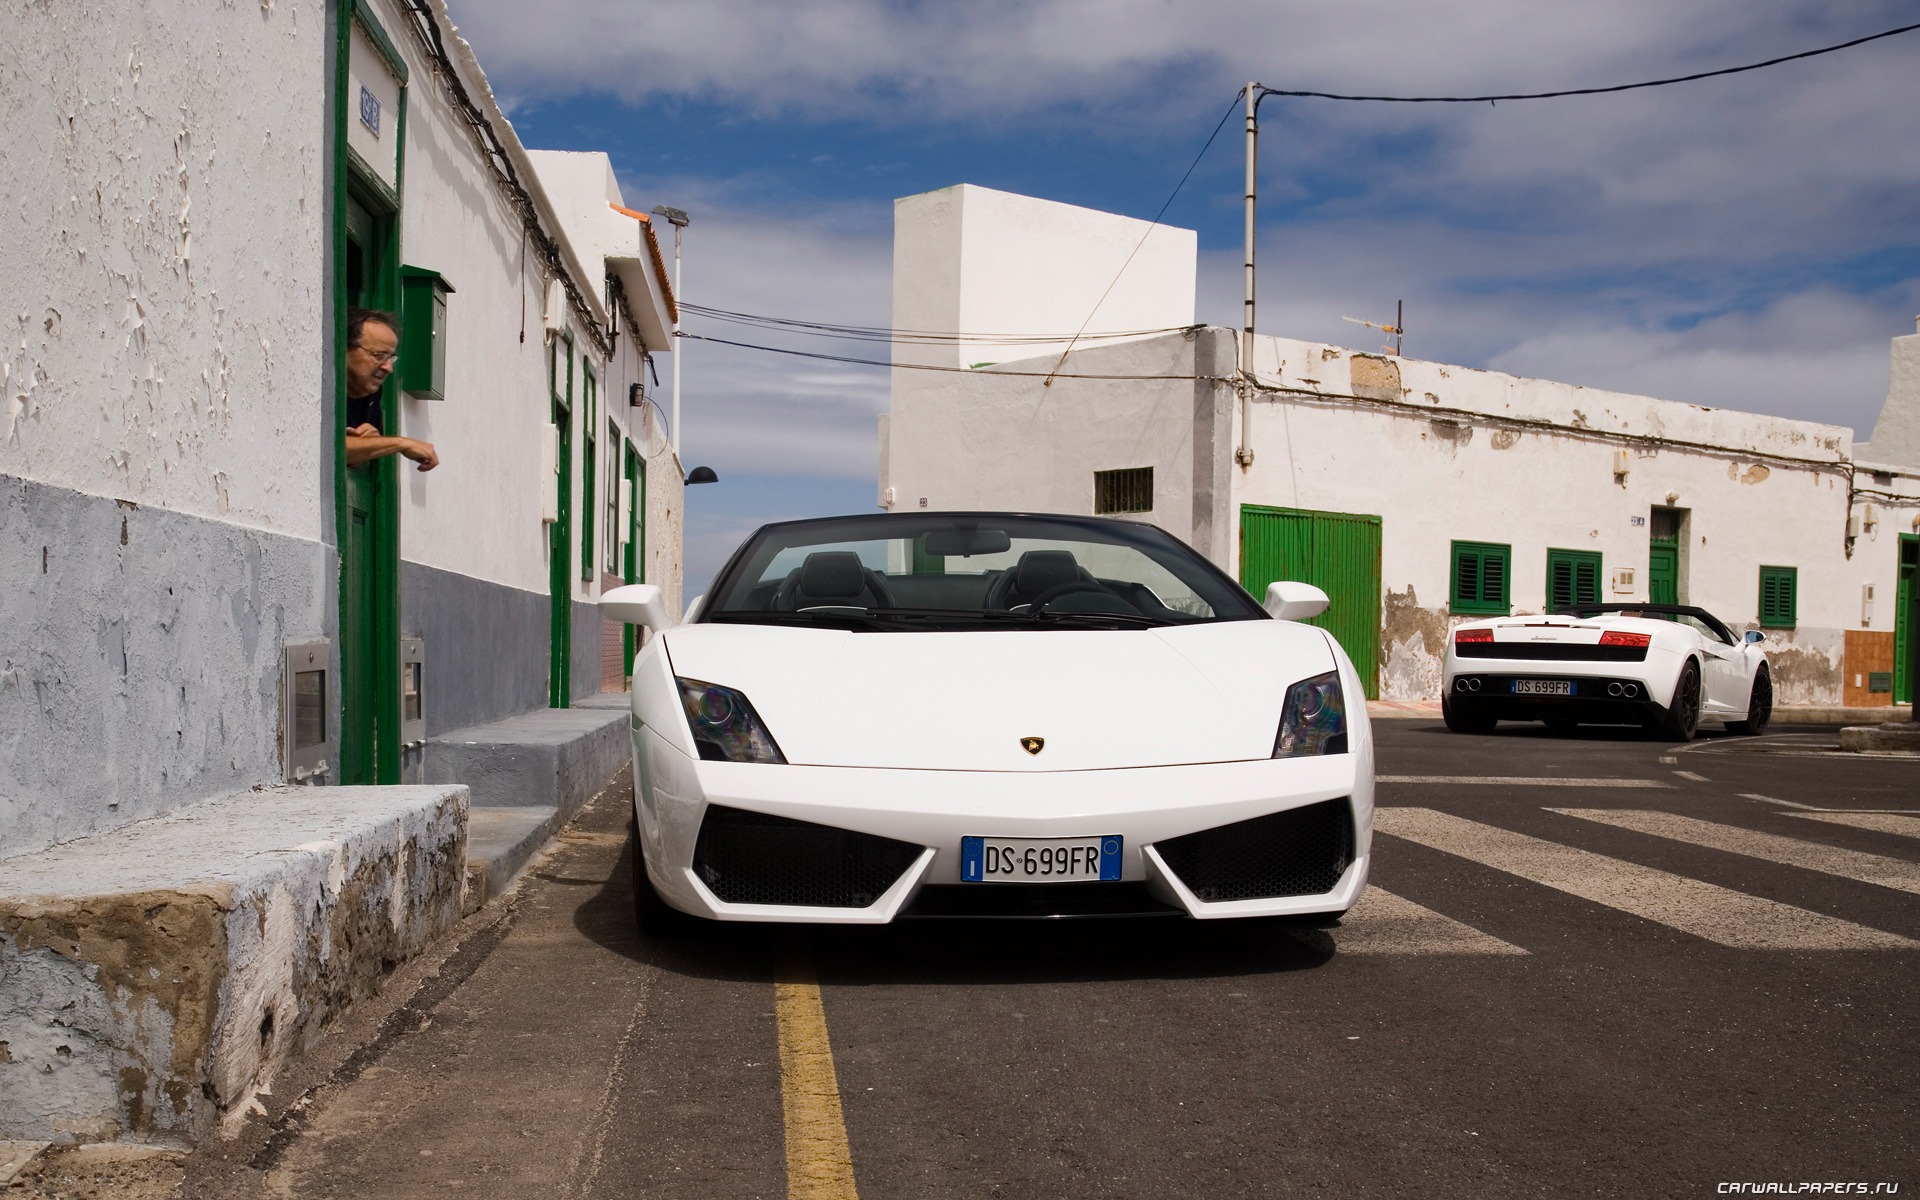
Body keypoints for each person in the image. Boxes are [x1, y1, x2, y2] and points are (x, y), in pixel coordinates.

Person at [344, 308, 439, 471]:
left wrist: (367, 444)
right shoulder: (320, 389)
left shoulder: (371, 394)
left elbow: (353, 458)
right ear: (345, 349)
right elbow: (328, 448)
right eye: (378, 355)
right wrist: (401, 443)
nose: (388, 368)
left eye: (391, 358)